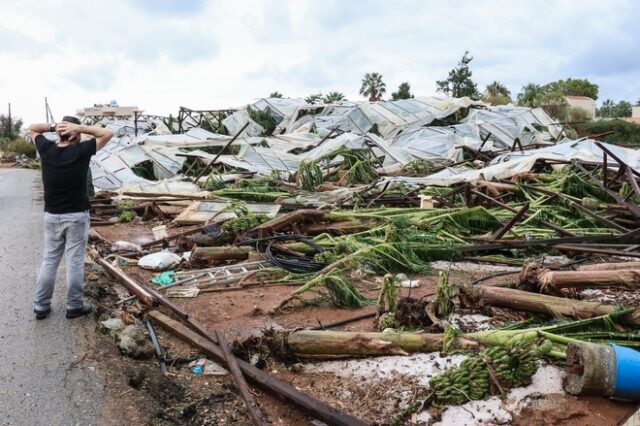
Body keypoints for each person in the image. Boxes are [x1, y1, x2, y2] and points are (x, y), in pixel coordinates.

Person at [29, 117, 113, 320]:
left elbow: (32, 128)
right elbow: (107, 133)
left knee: (49, 260)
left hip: (52, 215)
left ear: (59, 133)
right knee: (74, 261)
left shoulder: (46, 149)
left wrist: (52, 127)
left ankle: (41, 306)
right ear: (76, 134)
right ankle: (74, 305)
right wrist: (80, 127)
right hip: (76, 215)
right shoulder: (82, 151)